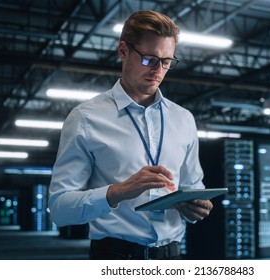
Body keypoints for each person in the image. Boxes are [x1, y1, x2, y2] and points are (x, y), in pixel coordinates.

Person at [48, 10, 213, 260]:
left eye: (167, 61)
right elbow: (60, 209)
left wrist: (195, 206)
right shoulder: (86, 118)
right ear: (123, 51)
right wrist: (119, 191)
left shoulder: (183, 119)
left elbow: (192, 187)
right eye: (149, 59)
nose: (158, 70)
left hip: (173, 259)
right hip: (116, 257)